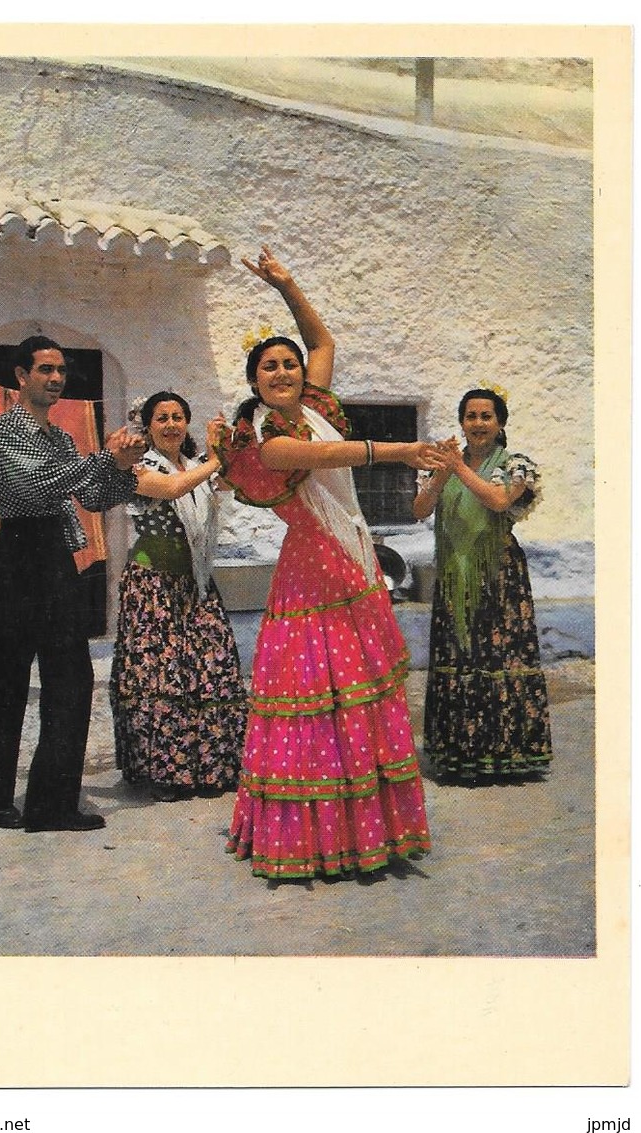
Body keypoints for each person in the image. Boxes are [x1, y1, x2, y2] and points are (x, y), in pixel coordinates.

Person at [218, 247, 440, 881]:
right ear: (255, 382)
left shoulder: (312, 407)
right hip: (314, 569)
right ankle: (309, 837)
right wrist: (405, 449)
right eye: (270, 368)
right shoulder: (272, 439)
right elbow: (343, 455)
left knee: (359, 697)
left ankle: (365, 828)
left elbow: (323, 339)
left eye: (289, 364)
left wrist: (288, 284)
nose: (284, 372)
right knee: (316, 699)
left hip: (350, 556)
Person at [0, 335, 146, 832]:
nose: (55, 379)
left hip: (54, 556)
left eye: (61, 372)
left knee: (70, 679)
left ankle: (53, 803)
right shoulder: (0, 431)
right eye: (45, 369)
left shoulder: (63, 439)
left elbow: (91, 496)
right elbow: (33, 488)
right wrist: (101, 462)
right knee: (8, 681)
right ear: (21, 376)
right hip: (17, 555)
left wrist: (122, 464)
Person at [109, 392, 247, 801]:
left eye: (177, 417)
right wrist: (216, 458)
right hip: (152, 588)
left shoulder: (198, 465)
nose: (170, 424)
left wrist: (227, 447)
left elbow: (235, 481)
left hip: (196, 583)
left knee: (212, 669)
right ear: (148, 426)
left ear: (186, 422)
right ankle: (166, 774)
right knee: (160, 676)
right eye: (161, 418)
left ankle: (211, 767)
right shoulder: (139, 468)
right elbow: (171, 489)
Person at [413, 387, 552, 784]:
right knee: (461, 655)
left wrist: (458, 468)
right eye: (470, 416)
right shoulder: (444, 466)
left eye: (486, 416)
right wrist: (443, 472)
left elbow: (496, 500)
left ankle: (508, 756)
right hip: (456, 574)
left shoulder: (516, 465)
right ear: (461, 422)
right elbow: (420, 509)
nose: (478, 424)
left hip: (499, 577)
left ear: (500, 423)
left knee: (498, 658)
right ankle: (460, 753)